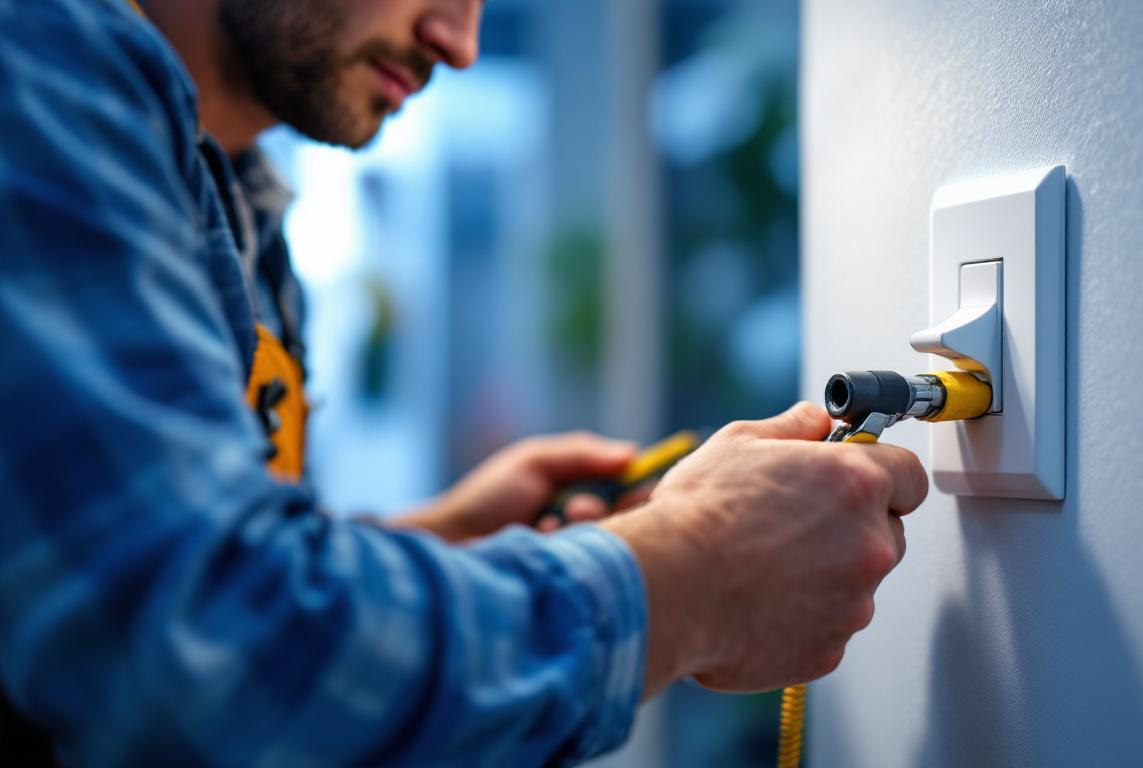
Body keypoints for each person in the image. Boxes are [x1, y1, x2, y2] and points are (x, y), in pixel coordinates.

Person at [0, 0, 929, 765]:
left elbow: (107, 593)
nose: (460, 41)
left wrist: (436, 548)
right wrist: (695, 572)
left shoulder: (235, 200)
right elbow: (207, 666)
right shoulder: (35, 63)